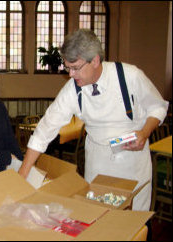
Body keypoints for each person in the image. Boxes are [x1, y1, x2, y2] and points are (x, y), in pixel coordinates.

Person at [18, 29, 169, 212]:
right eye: (68, 68)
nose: (71, 74)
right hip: (97, 162)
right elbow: (45, 129)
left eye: (75, 68)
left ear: (95, 60)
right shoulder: (72, 90)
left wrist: (144, 133)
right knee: (98, 217)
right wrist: (23, 174)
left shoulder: (129, 76)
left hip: (133, 163)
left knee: (132, 223)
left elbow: (158, 106)